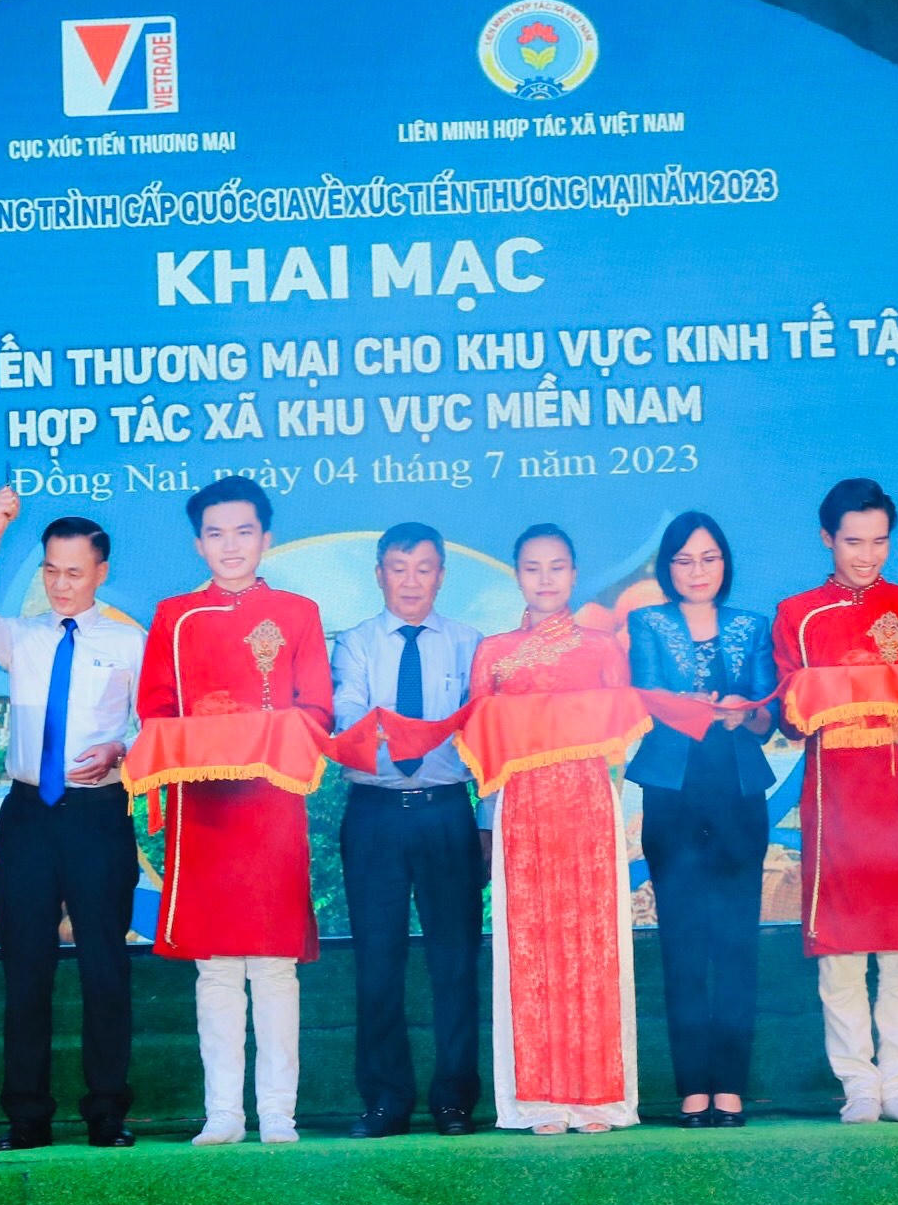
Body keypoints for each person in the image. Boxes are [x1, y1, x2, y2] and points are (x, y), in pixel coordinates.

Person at [138, 476, 331, 1146]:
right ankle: (223, 1111)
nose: (230, 546)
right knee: (216, 964)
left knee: (274, 963)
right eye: (215, 534)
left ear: (266, 538)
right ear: (198, 544)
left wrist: (258, 729)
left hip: (273, 806)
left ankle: (279, 1112)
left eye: (243, 531)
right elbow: (156, 711)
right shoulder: (174, 617)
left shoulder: (298, 612)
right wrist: (212, 732)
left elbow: (317, 709)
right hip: (205, 810)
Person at [0, 489, 144, 1151]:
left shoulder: (130, 641)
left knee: (105, 967)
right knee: (26, 968)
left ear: (101, 572)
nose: (61, 584)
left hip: (99, 815)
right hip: (29, 814)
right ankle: (26, 1117)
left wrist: (122, 747)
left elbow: (153, 724)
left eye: (75, 572)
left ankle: (107, 1113)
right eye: (51, 570)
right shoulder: (23, 637)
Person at [773, 479, 898, 1125]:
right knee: (843, 953)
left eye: (880, 542)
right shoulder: (799, 615)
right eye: (854, 542)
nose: (868, 555)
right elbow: (790, 716)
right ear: (827, 538)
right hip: (838, 801)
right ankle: (858, 1085)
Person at [474, 524, 640, 1135]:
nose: (545, 579)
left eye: (557, 567)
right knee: (531, 951)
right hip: (522, 813)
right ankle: (539, 1099)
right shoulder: (493, 653)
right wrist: (486, 826)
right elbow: (482, 749)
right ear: (518, 575)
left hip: (590, 808)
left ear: (573, 573)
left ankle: (598, 1097)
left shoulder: (603, 648)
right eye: (532, 568)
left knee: (594, 948)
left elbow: (620, 742)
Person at [331, 522, 485, 1139]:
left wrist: (485, 825)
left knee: (456, 961)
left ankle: (455, 1101)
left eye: (424, 568)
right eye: (399, 568)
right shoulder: (355, 643)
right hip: (375, 816)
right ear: (379, 575)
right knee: (377, 962)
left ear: (442, 575)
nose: (411, 581)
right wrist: (392, 731)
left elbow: (487, 740)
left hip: (447, 812)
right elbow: (350, 717)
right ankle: (385, 1101)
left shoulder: (472, 645)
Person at [624, 513, 775, 1129]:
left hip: (738, 793)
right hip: (673, 794)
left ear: (725, 563)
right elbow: (645, 694)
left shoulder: (752, 625)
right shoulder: (646, 623)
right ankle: (692, 1088)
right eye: (684, 560)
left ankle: (731, 1086)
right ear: (668, 567)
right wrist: (689, 709)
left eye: (709, 558)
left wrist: (746, 714)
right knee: (682, 943)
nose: (697, 571)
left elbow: (769, 715)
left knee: (736, 943)